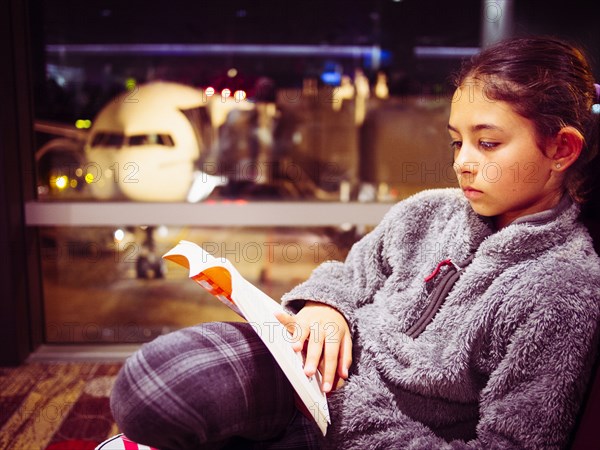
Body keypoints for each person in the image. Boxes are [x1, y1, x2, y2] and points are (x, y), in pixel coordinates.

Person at [107, 36, 600, 449]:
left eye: (487, 143)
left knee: (157, 401)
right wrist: (324, 309)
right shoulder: (427, 211)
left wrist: (340, 402)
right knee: (149, 383)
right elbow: (346, 273)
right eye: (457, 141)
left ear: (561, 149)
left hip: (348, 424)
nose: (463, 162)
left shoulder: (559, 290)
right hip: (307, 366)